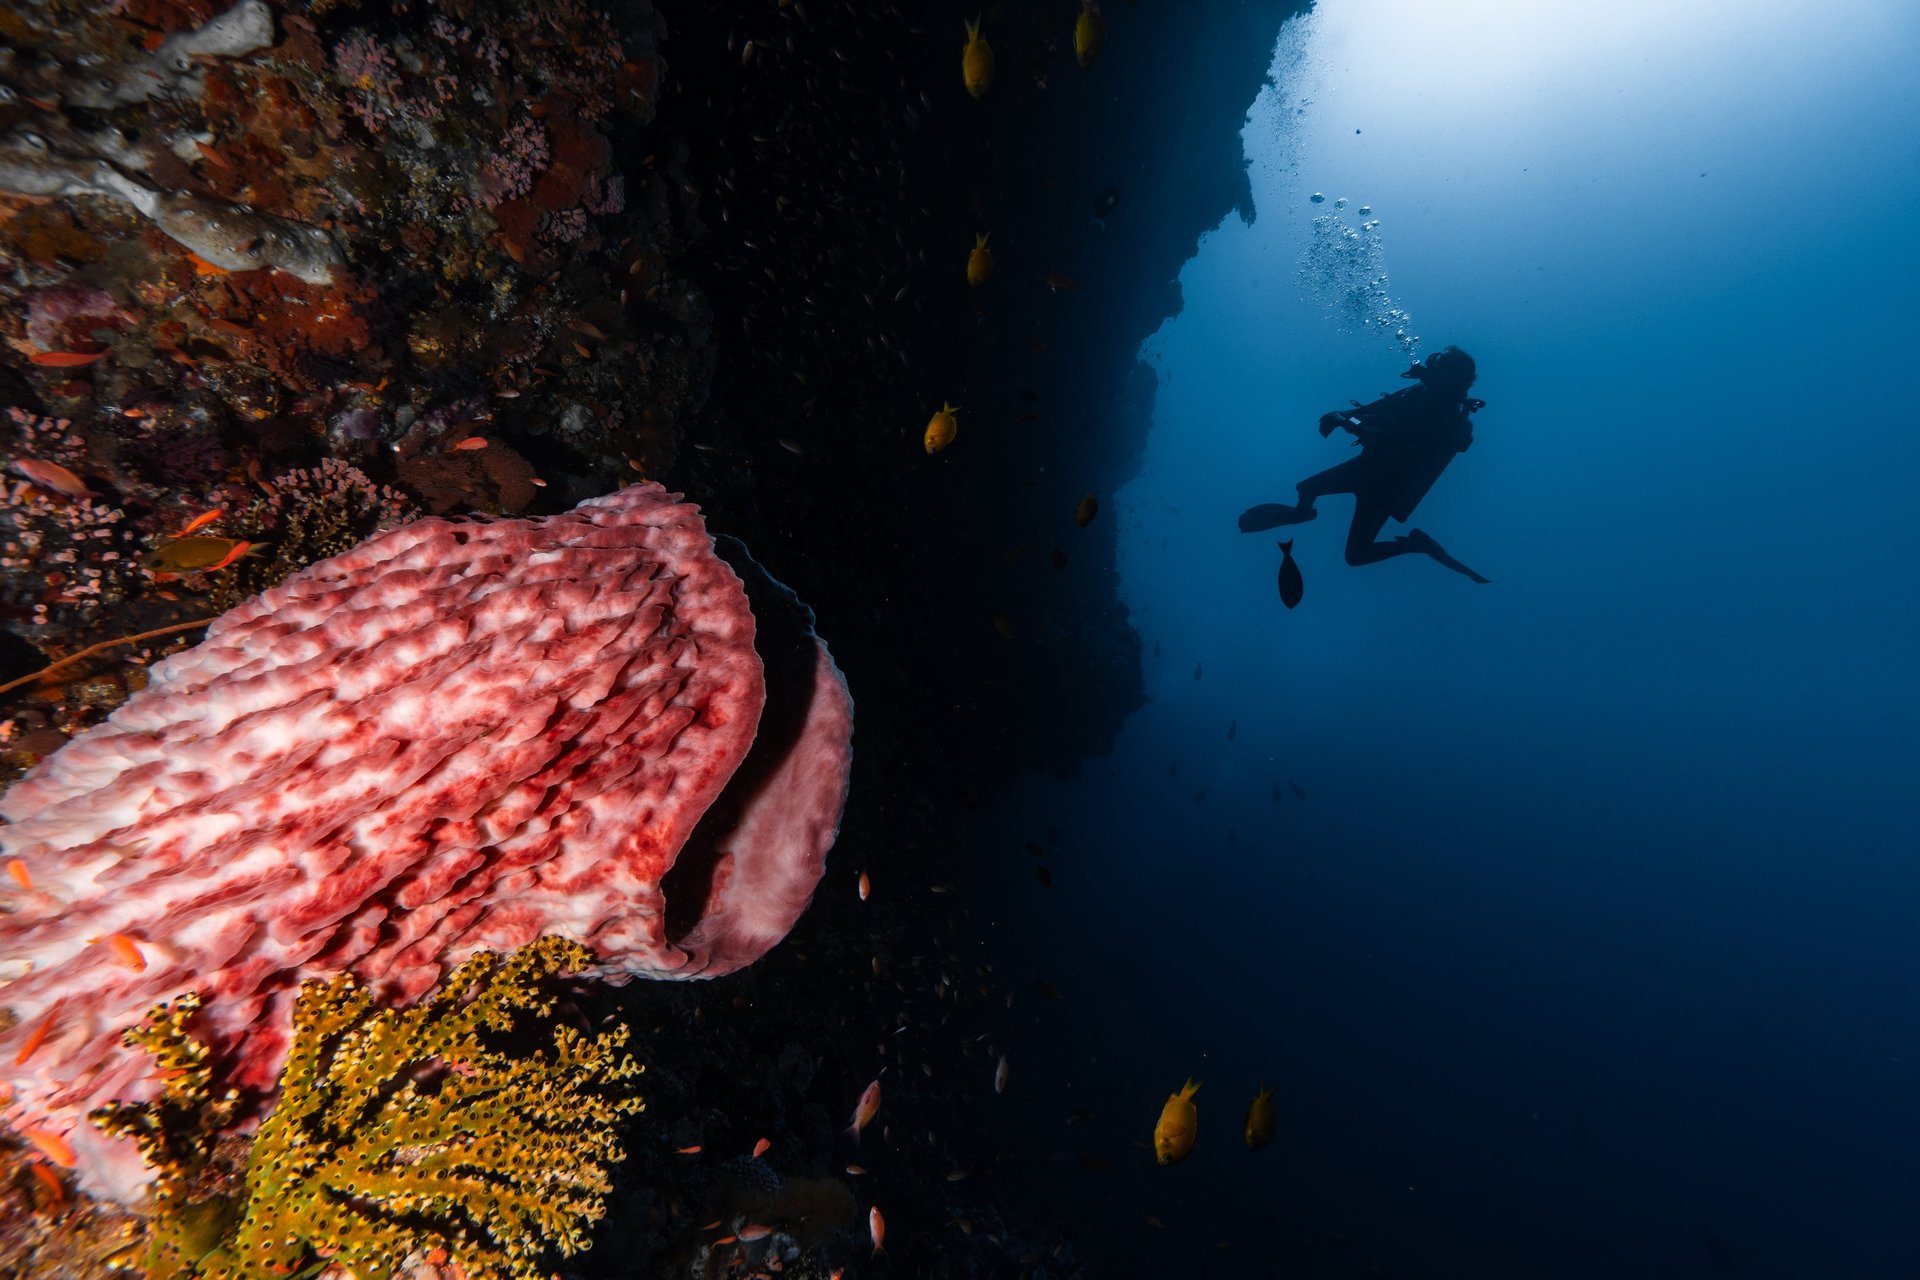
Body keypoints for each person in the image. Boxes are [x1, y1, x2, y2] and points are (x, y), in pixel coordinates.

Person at [1239, 346, 1490, 583]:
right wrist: (1340, 416)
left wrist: (1344, 422)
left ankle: (1415, 545)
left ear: (1450, 376)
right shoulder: (1418, 391)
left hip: (1387, 486)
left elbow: (1387, 440)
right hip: (1368, 467)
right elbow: (1369, 412)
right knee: (1306, 488)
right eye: (1435, 361)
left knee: (1357, 556)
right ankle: (1301, 513)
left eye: (1439, 363)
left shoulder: (1443, 413)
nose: (1430, 364)